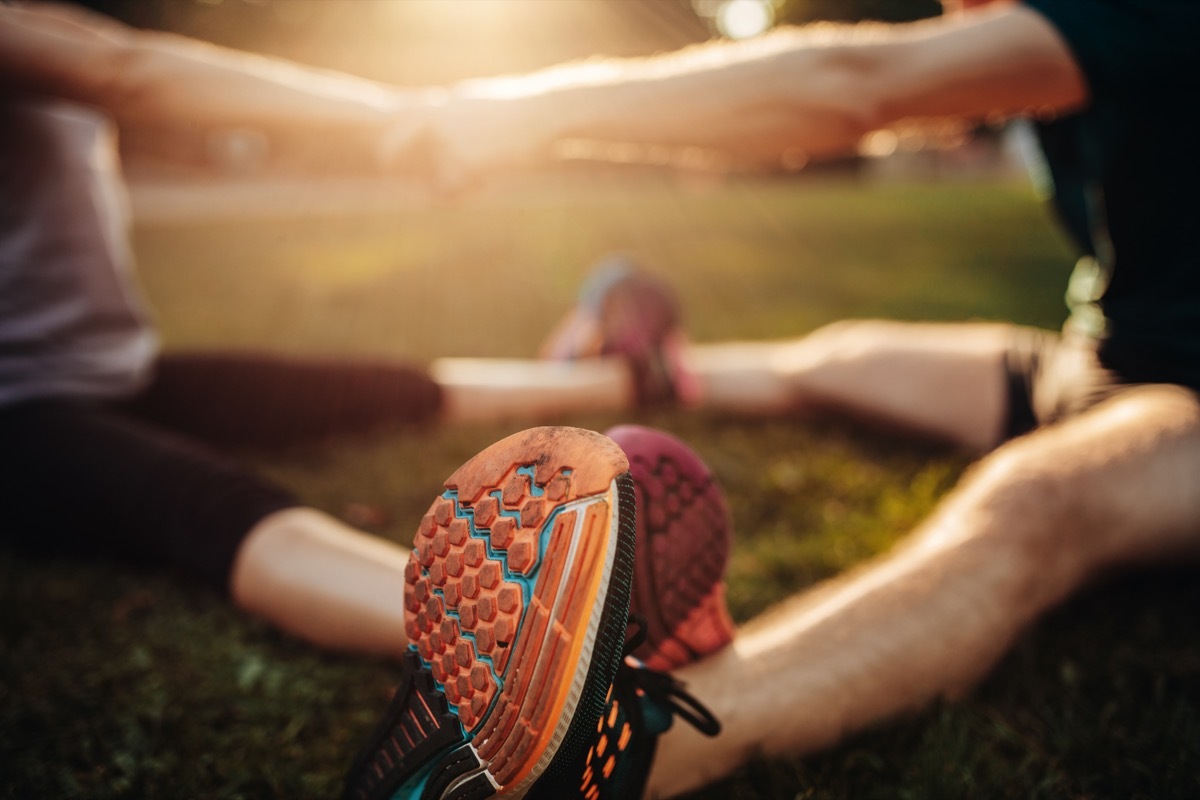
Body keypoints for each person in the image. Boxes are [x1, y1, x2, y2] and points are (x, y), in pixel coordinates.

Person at [343, 0, 1200, 797]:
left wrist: (524, 113)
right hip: (1108, 358)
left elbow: (855, 86)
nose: (951, 11)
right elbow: (937, 91)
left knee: (1038, 503)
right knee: (833, 359)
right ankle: (554, 378)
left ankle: (611, 755)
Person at [0, 0, 731, 667]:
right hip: (18, 411)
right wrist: (405, 116)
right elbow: (124, 70)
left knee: (373, 387)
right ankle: (539, 651)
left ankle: (624, 373)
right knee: (206, 505)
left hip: (113, 372)